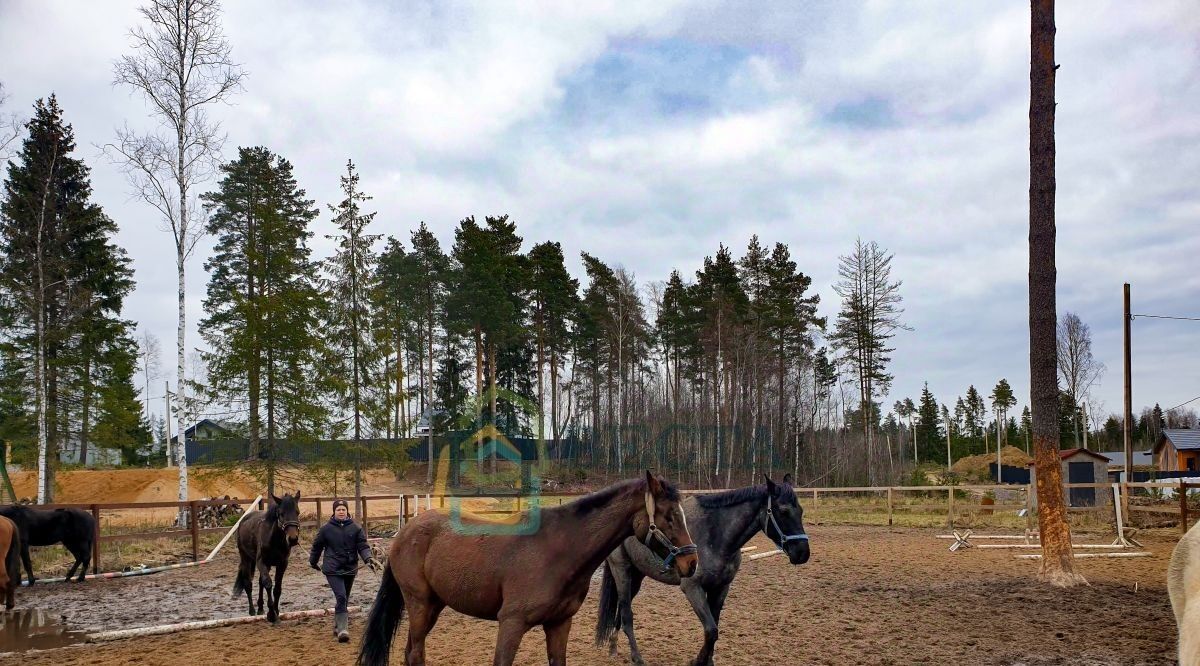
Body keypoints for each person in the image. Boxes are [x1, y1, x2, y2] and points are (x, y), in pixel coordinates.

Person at [309, 499, 378, 642]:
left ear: (347, 511)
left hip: (350, 568)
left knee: (344, 598)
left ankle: (337, 625)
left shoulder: (356, 528)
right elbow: (317, 547)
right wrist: (313, 562)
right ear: (334, 512)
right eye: (338, 510)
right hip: (333, 569)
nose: (341, 512)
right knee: (341, 596)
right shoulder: (325, 529)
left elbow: (363, 547)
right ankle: (342, 630)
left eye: (343, 509)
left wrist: (368, 559)